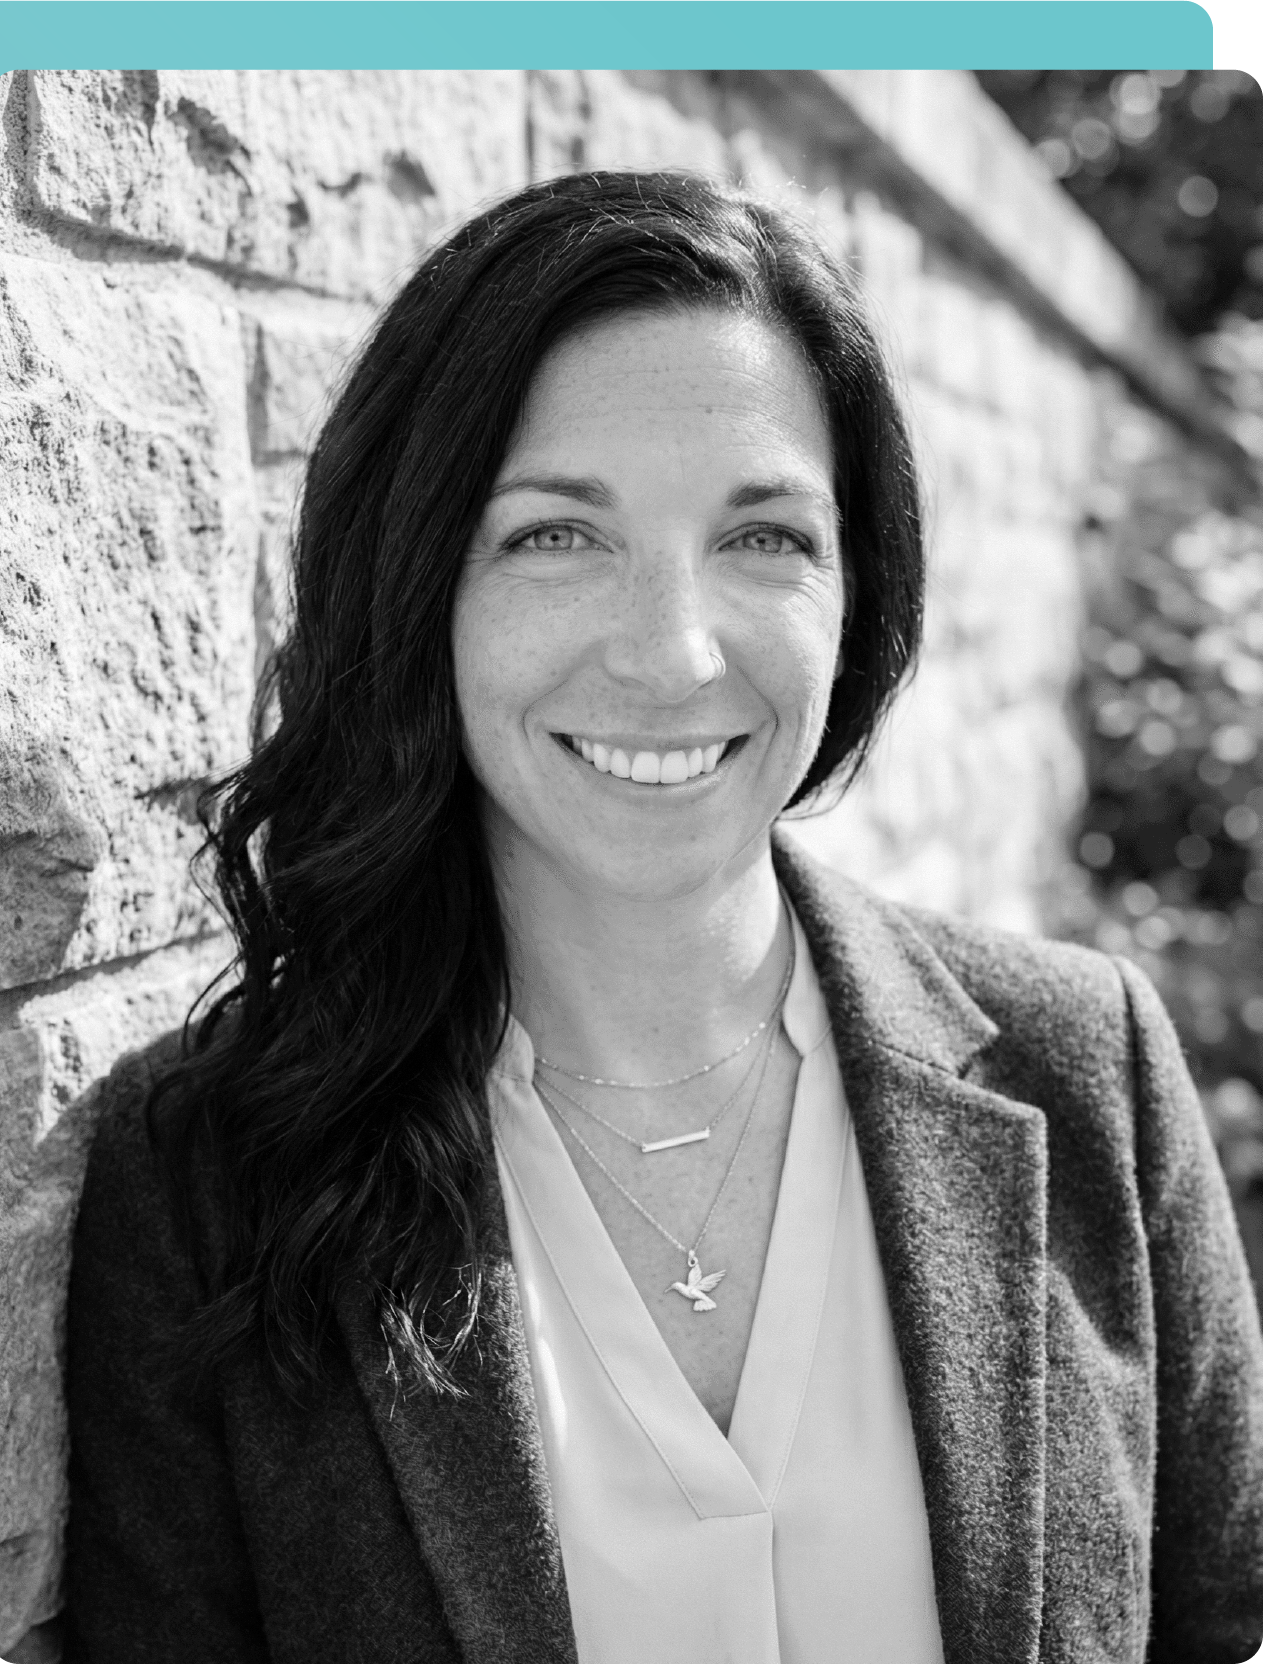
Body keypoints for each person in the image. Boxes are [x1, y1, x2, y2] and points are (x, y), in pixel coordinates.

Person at [62, 170, 1263, 1665]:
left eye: (764, 538)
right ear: (415, 583)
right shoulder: (206, 1178)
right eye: (557, 536)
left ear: (858, 588)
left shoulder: (1090, 1072)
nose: (674, 653)